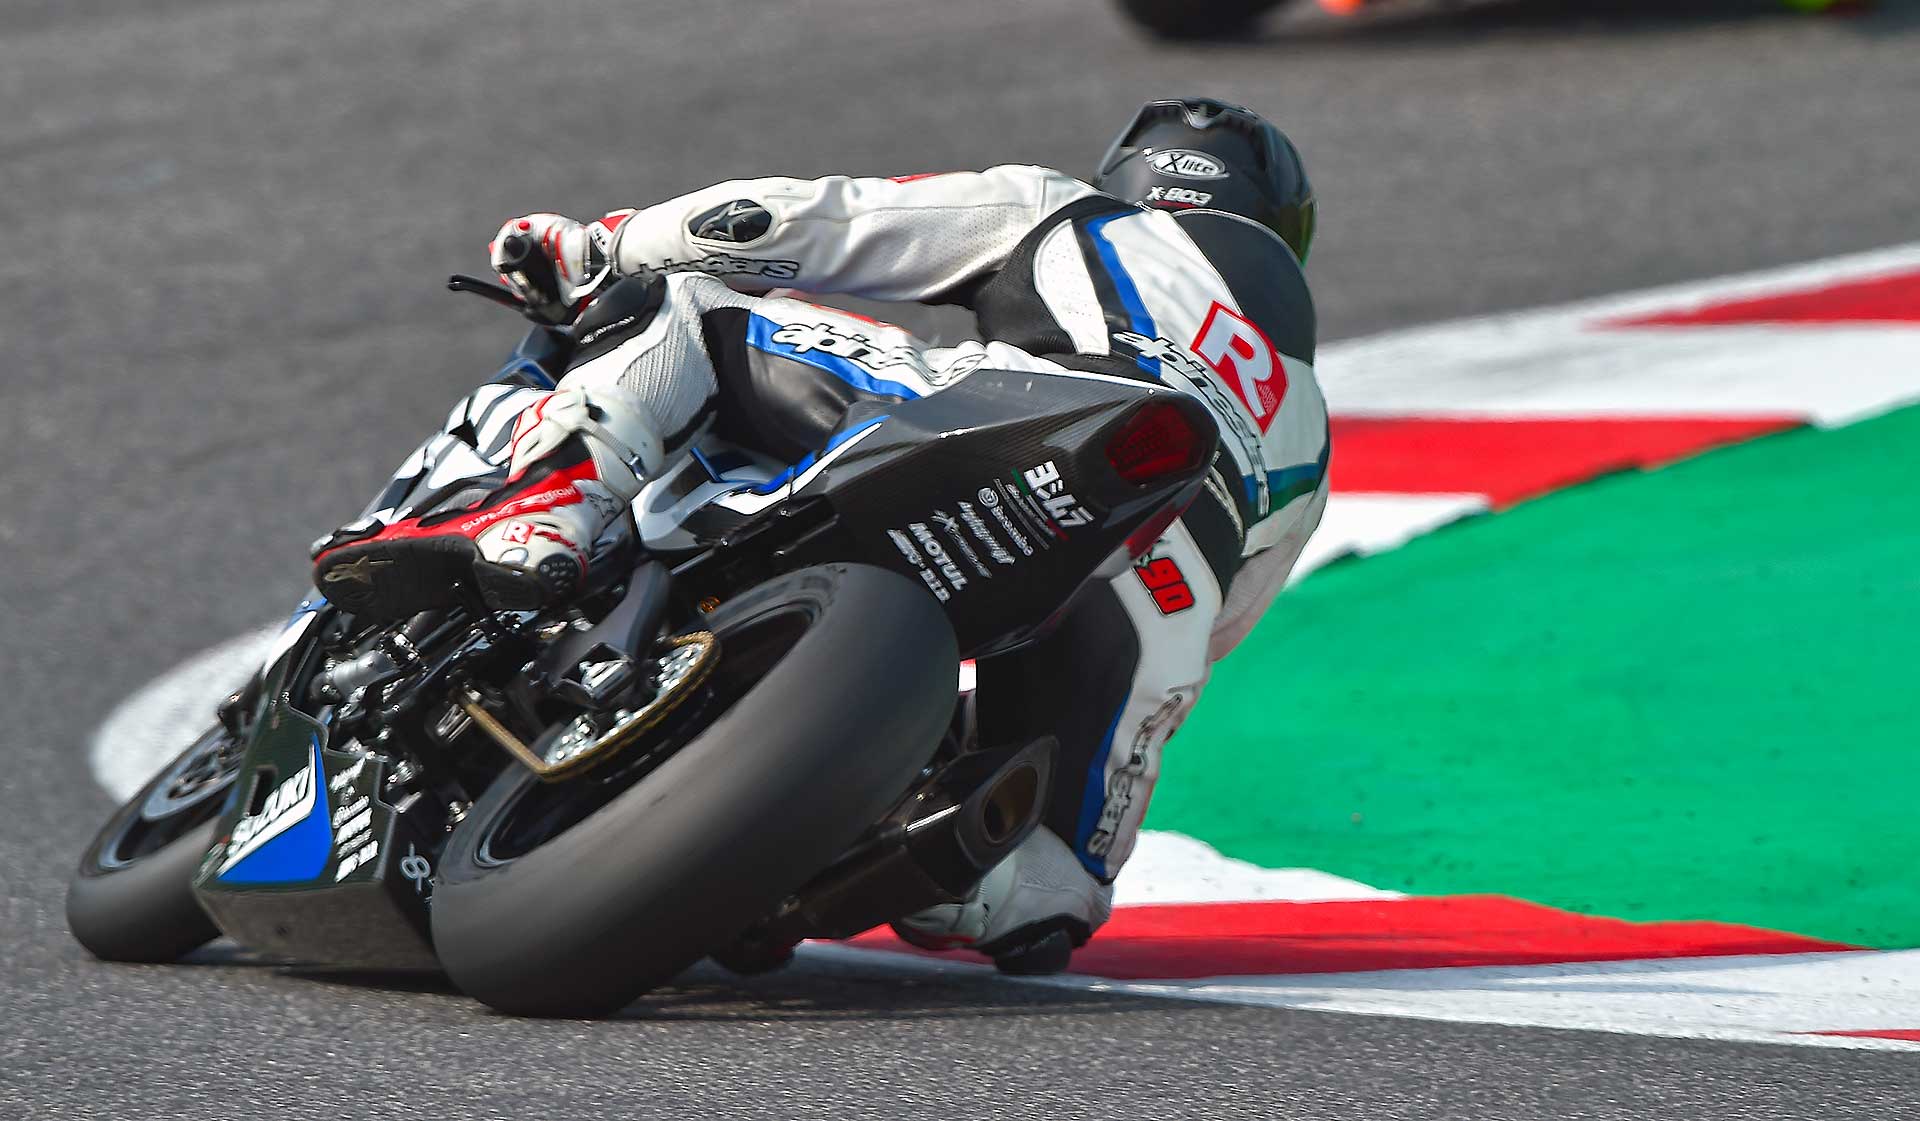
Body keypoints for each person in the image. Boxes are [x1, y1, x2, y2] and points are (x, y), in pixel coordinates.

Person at [312, 96, 1330, 974]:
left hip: (1032, 418)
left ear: (1136, 176)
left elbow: (816, 220)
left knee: (689, 308)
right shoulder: (1311, 433)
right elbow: (1224, 625)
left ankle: (553, 505)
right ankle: (881, 841)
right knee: (1043, 888)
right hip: (1161, 577)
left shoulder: (1079, 214)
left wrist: (607, 248)